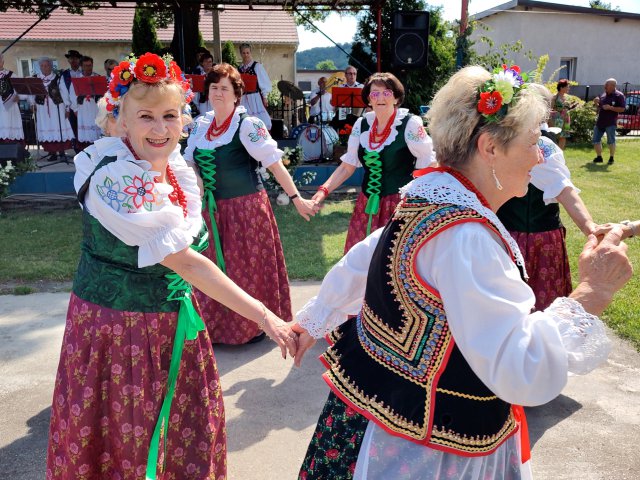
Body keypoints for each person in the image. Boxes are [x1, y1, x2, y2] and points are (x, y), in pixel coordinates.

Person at [291, 65, 632, 480]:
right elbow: (516, 366)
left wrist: (314, 318)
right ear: (489, 147)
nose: (540, 155)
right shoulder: (466, 236)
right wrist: (593, 292)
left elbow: (362, 260)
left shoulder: (429, 203)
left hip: (381, 420)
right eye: (532, 141)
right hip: (427, 452)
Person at [46, 52, 298, 480]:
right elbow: (185, 261)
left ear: (184, 118)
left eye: (170, 115)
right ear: (121, 119)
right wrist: (265, 317)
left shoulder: (175, 167)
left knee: (179, 434)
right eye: (145, 116)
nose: (160, 128)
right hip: (120, 331)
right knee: (130, 437)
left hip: (171, 324)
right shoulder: (114, 175)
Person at [183, 63, 319, 345]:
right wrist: (195, 177)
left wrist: (296, 198)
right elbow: (188, 162)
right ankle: (218, 327)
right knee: (215, 270)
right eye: (214, 87)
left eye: (224, 88)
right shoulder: (200, 125)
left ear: (236, 95)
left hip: (245, 209)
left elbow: (274, 164)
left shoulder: (247, 124)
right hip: (211, 211)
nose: (218, 93)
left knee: (246, 267)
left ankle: (252, 326)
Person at [312, 72, 434, 254]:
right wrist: (323, 191)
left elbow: (427, 164)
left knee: (392, 263)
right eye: (375, 93)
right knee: (360, 261)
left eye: (387, 92)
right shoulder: (362, 125)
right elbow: (347, 167)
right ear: (369, 99)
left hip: (400, 206)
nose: (380, 98)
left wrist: (416, 202)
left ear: (396, 97)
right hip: (367, 205)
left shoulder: (409, 124)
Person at [498, 122, 599, 310]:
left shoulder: (542, 146)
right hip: (506, 238)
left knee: (544, 306)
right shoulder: (494, 141)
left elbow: (563, 189)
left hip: (538, 240)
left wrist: (590, 227)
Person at [30, 57, 74, 161]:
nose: (44, 68)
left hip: (57, 108)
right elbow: (31, 93)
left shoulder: (58, 78)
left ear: (51, 66)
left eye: (47, 65)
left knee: (59, 128)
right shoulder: (36, 78)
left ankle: (62, 152)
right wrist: (32, 103)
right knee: (46, 128)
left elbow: (64, 93)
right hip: (42, 109)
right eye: (42, 66)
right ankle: (52, 153)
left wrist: (67, 108)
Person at [69, 56, 102, 150]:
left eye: (90, 65)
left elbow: (103, 93)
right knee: (84, 132)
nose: (88, 68)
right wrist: (75, 109)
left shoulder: (97, 77)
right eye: (85, 65)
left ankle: (97, 150)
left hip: (95, 108)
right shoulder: (76, 79)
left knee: (96, 130)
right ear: (81, 66)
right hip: (82, 108)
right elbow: (72, 95)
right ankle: (86, 151)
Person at [238, 43, 272, 129]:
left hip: (254, 97)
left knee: (258, 119)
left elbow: (264, 82)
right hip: (243, 98)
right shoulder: (239, 68)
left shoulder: (257, 66)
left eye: (247, 52)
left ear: (250, 53)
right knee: (245, 119)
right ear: (240, 53)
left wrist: (265, 96)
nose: (246, 55)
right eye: (243, 53)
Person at [592, 78, 625, 165]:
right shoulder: (603, 95)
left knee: (611, 140)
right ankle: (599, 157)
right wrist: (596, 103)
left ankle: (611, 158)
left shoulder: (619, 95)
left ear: (613, 86)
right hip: (600, 122)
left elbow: (622, 109)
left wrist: (611, 108)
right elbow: (599, 108)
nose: (605, 86)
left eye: (607, 84)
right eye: (605, 84)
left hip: (610, 122)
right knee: (595, 140)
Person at [0, 52, 25, 144]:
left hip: (10, 107)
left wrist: (18, 96)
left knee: (11, 127)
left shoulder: (11, 75)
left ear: (3, 61)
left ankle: (14, 154)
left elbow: (21, 90)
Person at [60, 49, 84, 147]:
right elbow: (63, 92)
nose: (73, 61)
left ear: (79, 60)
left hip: (83, 106)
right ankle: (76, 148)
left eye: (76, 59)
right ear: (69, 61)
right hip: (70, 107)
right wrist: (68, 107)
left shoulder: (83, 73)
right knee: (73, 127)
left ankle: (85, 146)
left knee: (83, 127)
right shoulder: (65, 75)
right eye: (71, 59)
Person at [549, 79, 571, 150]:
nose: (568, 88)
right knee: (555, 135)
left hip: (566, 119)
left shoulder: (566, 98)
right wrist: (550, 121)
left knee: (563, 136)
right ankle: (554, 151)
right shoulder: (554, 98)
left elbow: (567, 108)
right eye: (567, 87)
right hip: (557, 119)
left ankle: (560, 152)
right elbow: (550, 110)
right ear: (561, 87)